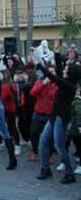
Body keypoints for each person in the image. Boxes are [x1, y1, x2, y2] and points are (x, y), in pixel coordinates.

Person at [34, 49, 81, 184]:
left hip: (61, 118)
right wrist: (56, 53)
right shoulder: (66, 80)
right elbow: (59, 71)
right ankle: (45, 169)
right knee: (43, 141)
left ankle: (69, 173)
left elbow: (53, 76)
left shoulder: (69, 86)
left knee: (59, 146)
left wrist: (39, 65)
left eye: (67, 69)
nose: (64, 70)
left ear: (71, 74)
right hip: (54, 116)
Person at [27, 67, 57, 162]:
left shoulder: (57, 84)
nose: (51, 73)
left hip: (49, 114)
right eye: (49, 71)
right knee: (33, 133)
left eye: (53, 72)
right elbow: (32, 93)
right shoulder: (40, 81)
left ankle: (50, 154)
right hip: (38, 112)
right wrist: (44, 83)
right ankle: (35, 151)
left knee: (49, 135)